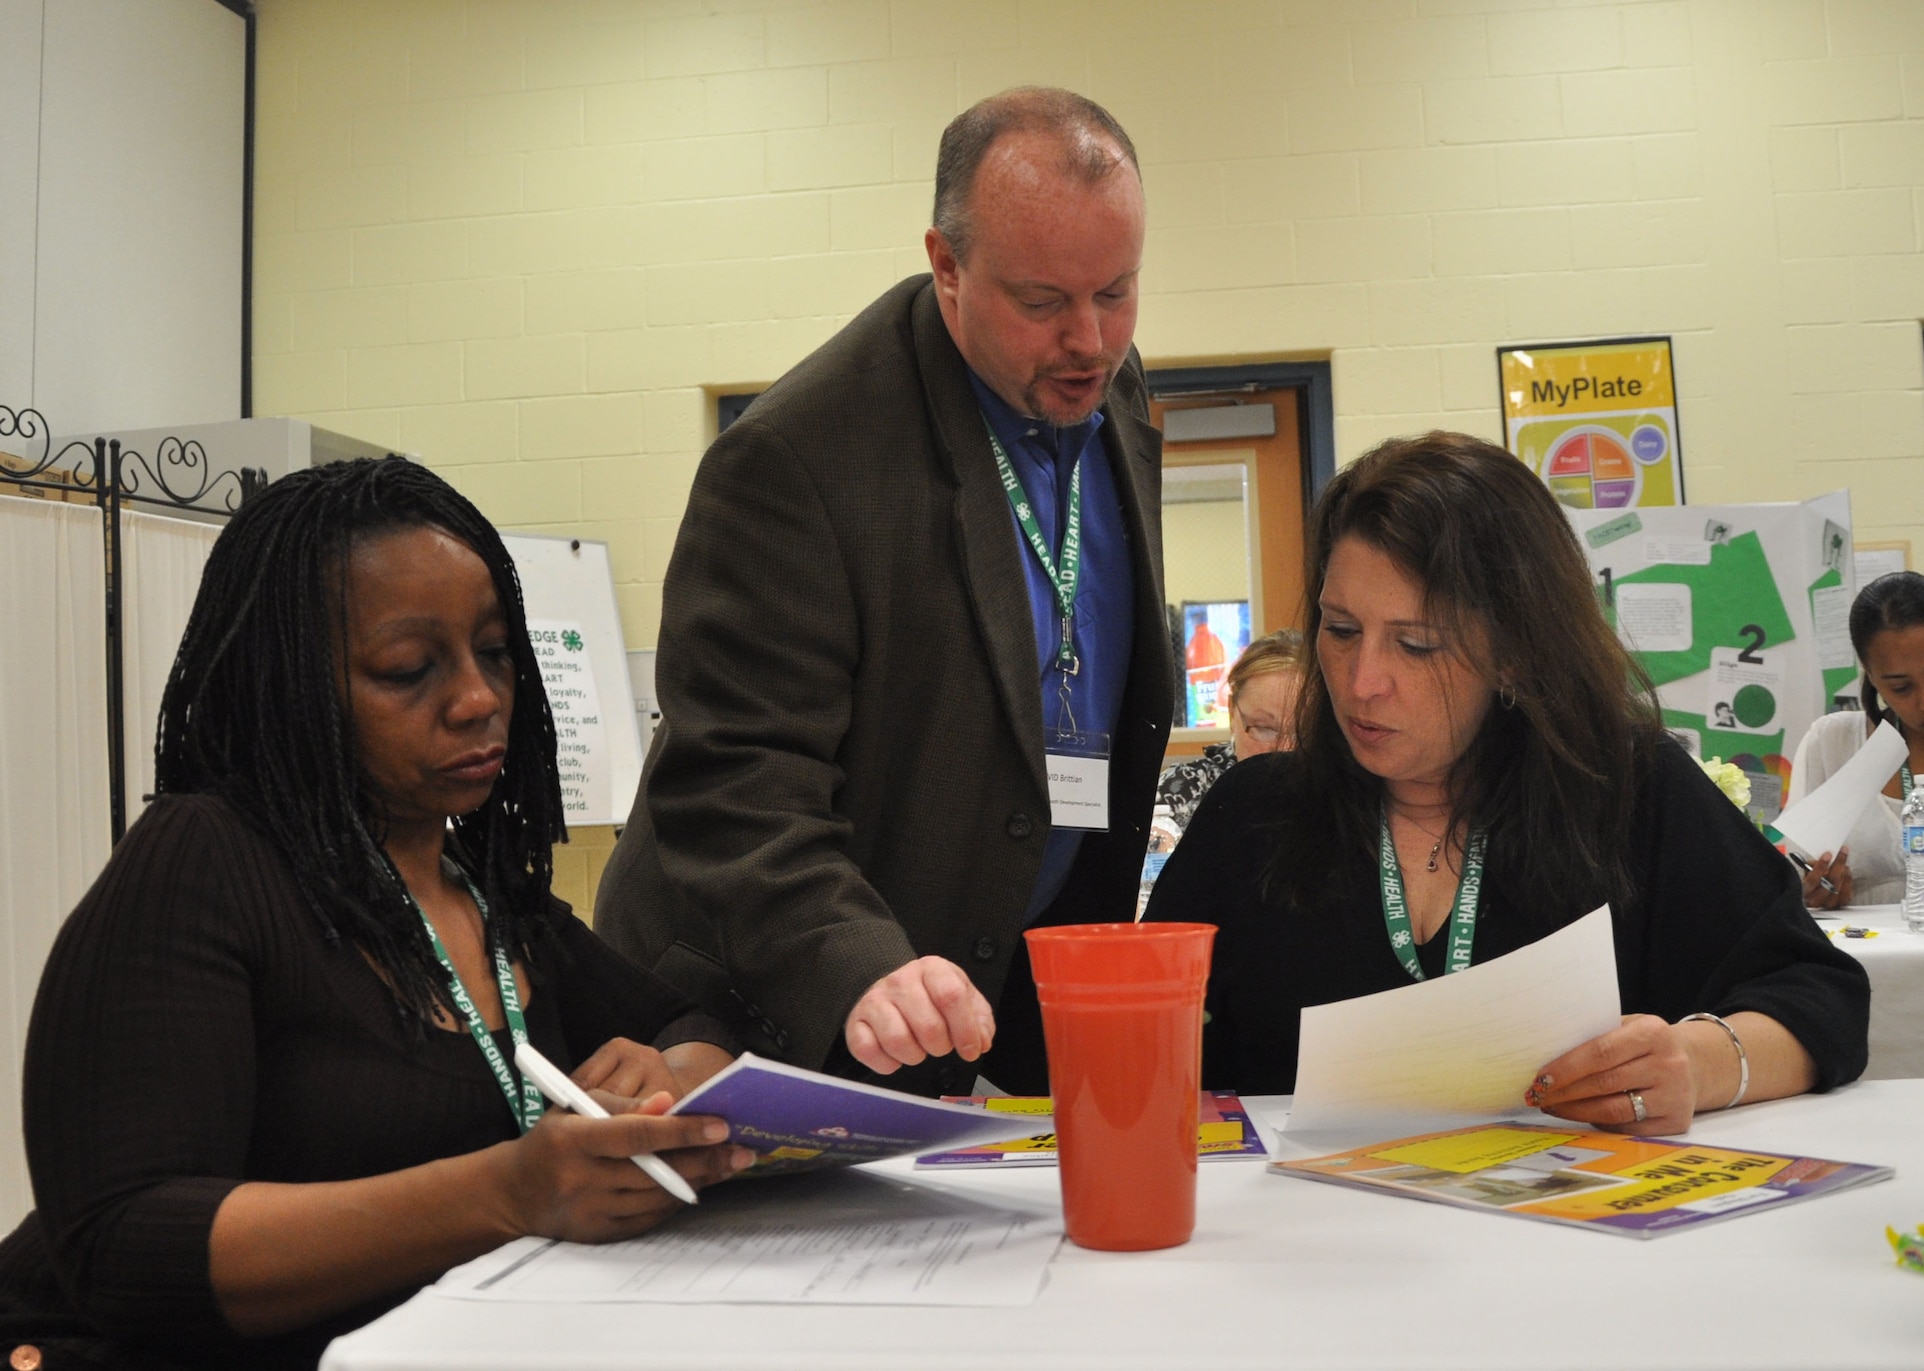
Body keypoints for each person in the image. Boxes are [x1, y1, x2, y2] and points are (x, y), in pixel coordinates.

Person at [0, 458, 751, 1370]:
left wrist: (668, 1071)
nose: (479, 699)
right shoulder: (204, 861)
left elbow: (693, 1022)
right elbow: (124, 1240)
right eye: (407, 669)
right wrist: (507, 1192)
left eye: (496, 652)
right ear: (293, 685)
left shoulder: (482, 889)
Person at [595, 87, 1172, 1097]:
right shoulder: (794, 462)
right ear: (945, 267)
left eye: (1116, 291)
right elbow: (732, 785)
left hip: (985, 1017)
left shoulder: (1111, 391)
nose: (1089, 339)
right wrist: (860, 964)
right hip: (764, 1014)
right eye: (1041, 302)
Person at [1146, 432, 1869, 1133]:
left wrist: (1702, 1062)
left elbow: (1821, 998)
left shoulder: (1625, 791)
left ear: (1517, 653)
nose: (1363, 683)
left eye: (1417, 643)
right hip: (1305, 1243)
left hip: (1564, 1240)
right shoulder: (1255, 815)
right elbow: (1140, 1032)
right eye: (1339, 630)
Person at [1790, 571, 1924, 909]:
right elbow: (1790, 880)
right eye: (1901, 687)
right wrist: (1811, 891)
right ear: (1871, 675)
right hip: (1864, 959)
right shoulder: (1832, 744)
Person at [1154, 628, 1306, 831]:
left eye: (1305, 732)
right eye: (1264, 729)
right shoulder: (1184, 790)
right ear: (1232, 715)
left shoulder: (1343, 795)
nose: (1286, 749)